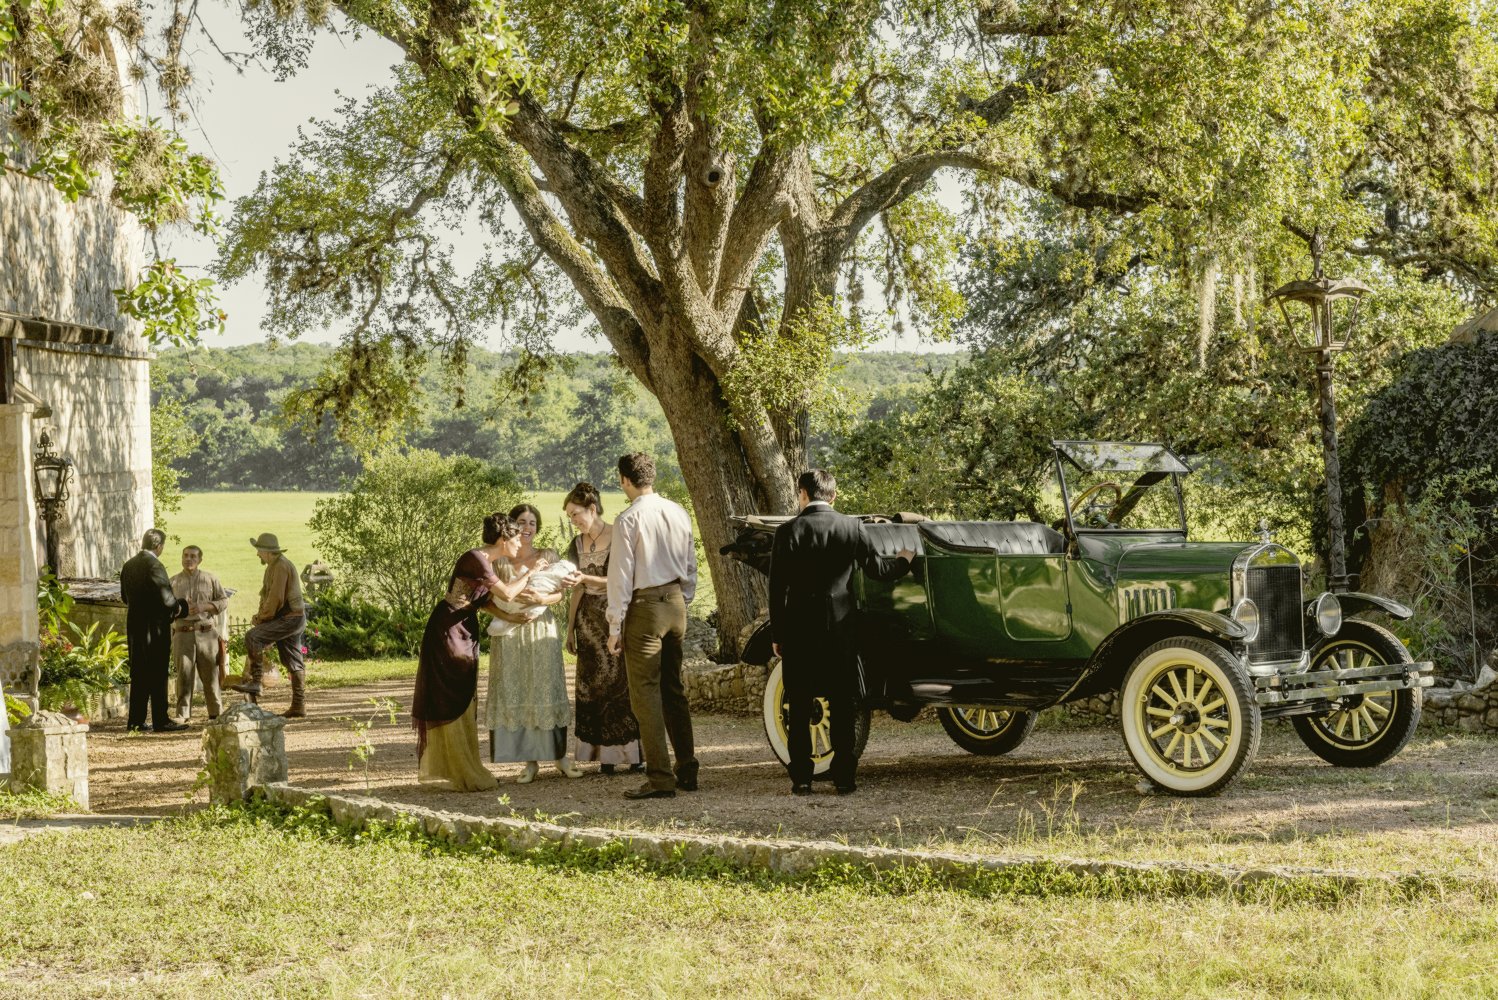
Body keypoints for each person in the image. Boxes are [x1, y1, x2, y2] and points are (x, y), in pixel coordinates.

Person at [769, 469, 914, 796]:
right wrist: (904, 561)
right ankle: (844, 777)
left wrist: (778, 634)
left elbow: (776, 590)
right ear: (833, 496)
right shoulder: (852, 527)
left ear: (802, 494)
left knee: (801, 704)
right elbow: (878, 569)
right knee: (843, 703)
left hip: (799, 630)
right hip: (841, 629)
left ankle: (802, 777)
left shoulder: (787, 532)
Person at [412, 513, 542, 791]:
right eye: (516, 538)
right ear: (503, 539)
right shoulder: (476, 558)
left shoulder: (486, 561)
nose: (520, 544)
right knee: (453, 692)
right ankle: (457, 768)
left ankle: (463, 765)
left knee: (464, 691)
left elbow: (482, 602)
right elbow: (506, 594)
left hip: (463, 625)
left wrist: (511, 619)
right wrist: (531, 572)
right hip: (448, 629)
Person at [606, 453, 698, 800]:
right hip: (675, 602)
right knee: (674, 688)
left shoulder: (628, 519)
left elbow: (620, 576)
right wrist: (682, 598)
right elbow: (690, 564)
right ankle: (687, 768)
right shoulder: (678, 511)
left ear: (624, 479)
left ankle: (660, 777)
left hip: (645, 606)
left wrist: (615, 625)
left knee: (644, 693)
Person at [485, 503, 583, 783]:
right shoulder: (501, 560)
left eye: (532, 523)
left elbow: (559, 596)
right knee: (520, 688)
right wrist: (509, 616)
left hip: (541, 628)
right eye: (522, 522)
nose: (527, 528)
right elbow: (489, 599)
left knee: (546, 686)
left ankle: (561, 758)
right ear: (511, 527)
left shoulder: (548, 556)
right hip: (511, 631)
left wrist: (541, 599)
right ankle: (530, 762)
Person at [561, 482, 642, 775]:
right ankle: (602, 756)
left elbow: (623, 579)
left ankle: (631, 754)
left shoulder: (617, 536)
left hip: (614, 616)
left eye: (575, 514)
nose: (573, 521)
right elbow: (576, 589)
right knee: (591, 687)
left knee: (619, 685)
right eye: (570, 517)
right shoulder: (576, 544)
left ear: (592, 509)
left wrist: (587, 578)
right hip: (586, 622)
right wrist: (569, 629)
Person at [228, 533, 307, 718]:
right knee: (294, 661)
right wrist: (261, 616)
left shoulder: (280, 566)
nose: (257, 555)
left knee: (253, 636)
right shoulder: (274, 566)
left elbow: (275, 598)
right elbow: (266, 595)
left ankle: (256, 682)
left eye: (258, 551)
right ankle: (298, 705)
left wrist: (262, 618)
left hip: (289, 618)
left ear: (266, 552)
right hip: (292, 618)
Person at [120, 528, 190, 733]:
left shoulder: (129, 565)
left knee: (139, 674)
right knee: (158, 673)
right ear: (159, 547)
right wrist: (181, 607)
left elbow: (125, 597)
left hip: (135, 627)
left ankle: (136, 721)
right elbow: (167, 600)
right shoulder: (155, 566)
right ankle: (160, 719)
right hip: (155, 629)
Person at [169, 545, 230, 723]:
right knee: (184, 675)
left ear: (200, 559)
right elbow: (165, 607)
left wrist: (204, 606)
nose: (189, 559)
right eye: (186, 555)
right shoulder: (172, 582)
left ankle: (216, 713)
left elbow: (223, 600)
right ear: (181, 558)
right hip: (183, 633)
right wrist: (179, 608)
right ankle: (183, 714)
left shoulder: (210, 579)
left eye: (193, 556)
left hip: (206, 633)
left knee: (210, 675)